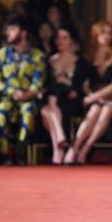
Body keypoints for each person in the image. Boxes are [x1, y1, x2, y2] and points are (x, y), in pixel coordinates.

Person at [63, 21, 112, 164]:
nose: (106, 36)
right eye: (103, 32)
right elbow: (84, 83)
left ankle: (85, 149)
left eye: (109, 33)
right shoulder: (88, 57)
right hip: (94, 100)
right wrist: (91, 96)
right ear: (95, 35)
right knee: (96, 109)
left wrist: (95, 97)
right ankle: (75, 147)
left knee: (106, 109)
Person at [0, 16, 46, 165]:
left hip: (28, 98)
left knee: (28, 112)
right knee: (2, 109)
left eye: (12, 29)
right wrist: (11, 91)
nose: (7, 32)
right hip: (9, 97)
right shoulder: (1, 54)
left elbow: (38, 81)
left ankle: (20, 153)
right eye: (7, 29)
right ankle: (3, 154)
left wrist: (27, 94)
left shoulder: (38, 55)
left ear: (23, 33)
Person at [41, 26, 94, 164]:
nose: (61, 41)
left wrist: (70, 84)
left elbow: (85, 86)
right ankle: (58, 146)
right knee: (47, 107)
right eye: (58, 38)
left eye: (65, 38)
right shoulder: (49, 60)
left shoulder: (80, 62)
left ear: (71, 41)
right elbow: (45, 84)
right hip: (54, 100)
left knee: (47, 109)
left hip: (71, 100)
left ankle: (58, 145)